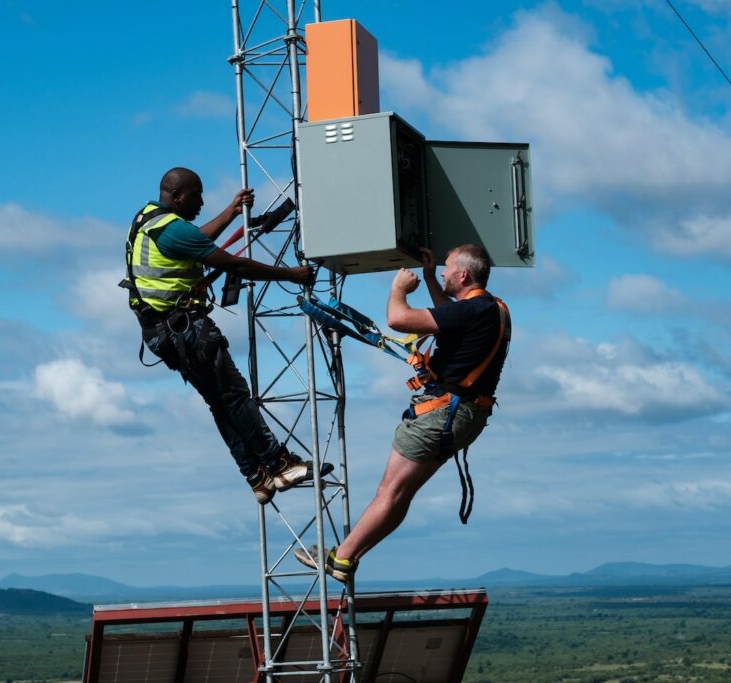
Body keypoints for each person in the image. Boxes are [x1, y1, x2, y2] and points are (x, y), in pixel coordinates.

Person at [296, 244, 511, 581]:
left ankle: (343, 557)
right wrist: (428, 278)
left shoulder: (473, 310)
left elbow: (398, 319)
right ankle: (348, 558)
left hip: (441, 413)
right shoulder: (492, 308)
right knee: (401, 493)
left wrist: (398, 289)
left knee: (391, 492)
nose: (443, 271)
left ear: (464, 275)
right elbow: (448, 318)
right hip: (464, 415)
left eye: (446, 268)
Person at [125, 167, 329, 504]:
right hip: (186, 331)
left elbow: (198, 240)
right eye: (197, 195)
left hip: (163, 334)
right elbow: (238, 266)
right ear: (177, 196)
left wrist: (231, 212)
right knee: (234, 396)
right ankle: (280, 464)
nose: (202, 202)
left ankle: (256, 476)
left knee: (220, 402)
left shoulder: (149, 219)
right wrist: (291, 275)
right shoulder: (171, 229)